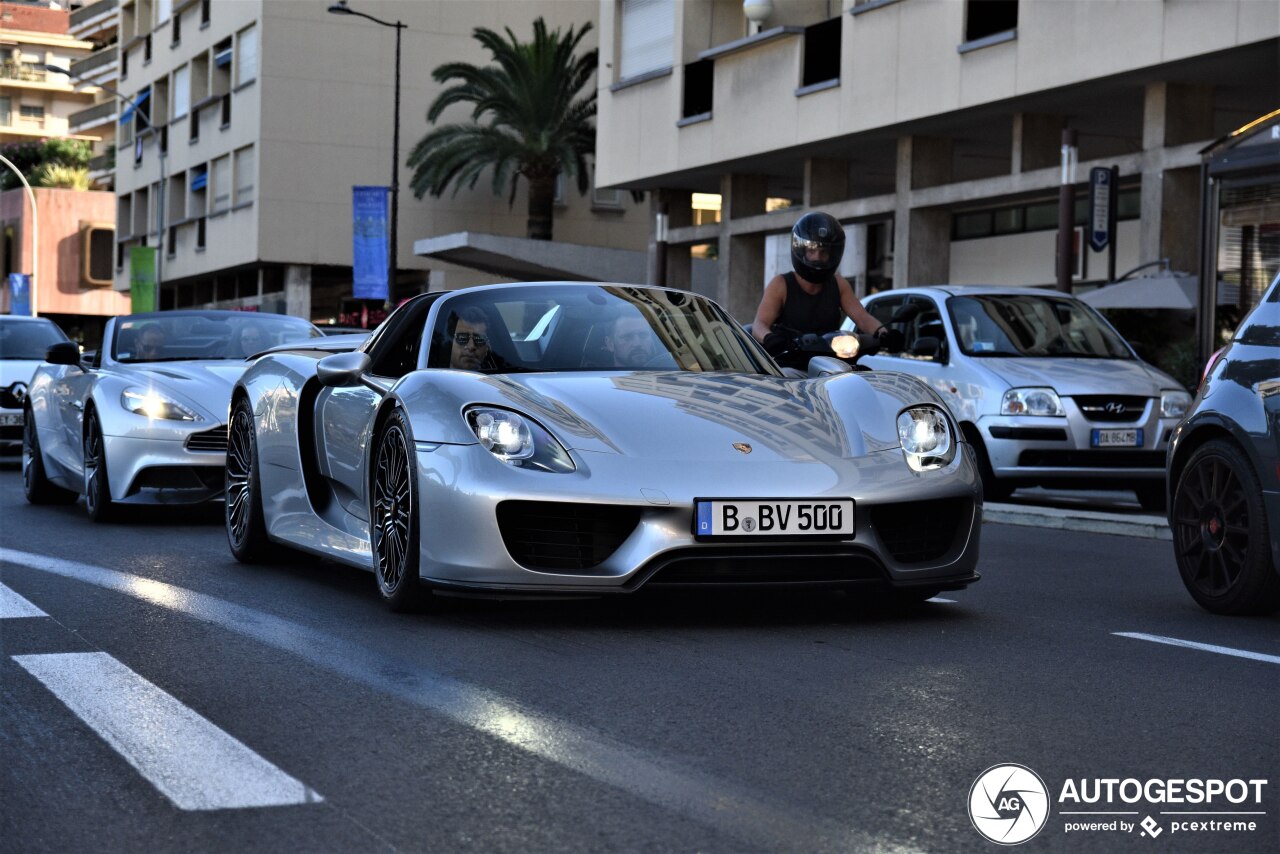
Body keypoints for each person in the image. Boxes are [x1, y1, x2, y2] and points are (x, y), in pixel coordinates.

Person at [751, 211, 900, 354]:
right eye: (812, 251)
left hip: (829, 360)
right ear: (801, 251)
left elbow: (862, 318)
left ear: (832, 254)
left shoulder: (839, 284)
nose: (817, 257)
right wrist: (769, 338)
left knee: (860, 371)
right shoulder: (781, 284)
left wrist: (884, 334)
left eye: (823, 252)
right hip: (788, 361)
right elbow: (759, 324)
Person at [448, 306, 500, 371]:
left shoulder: (498, 373)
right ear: (450, 342)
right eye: (462, 338)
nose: (471, 346)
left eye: (479, 339)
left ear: (487, 347)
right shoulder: (435, 375)